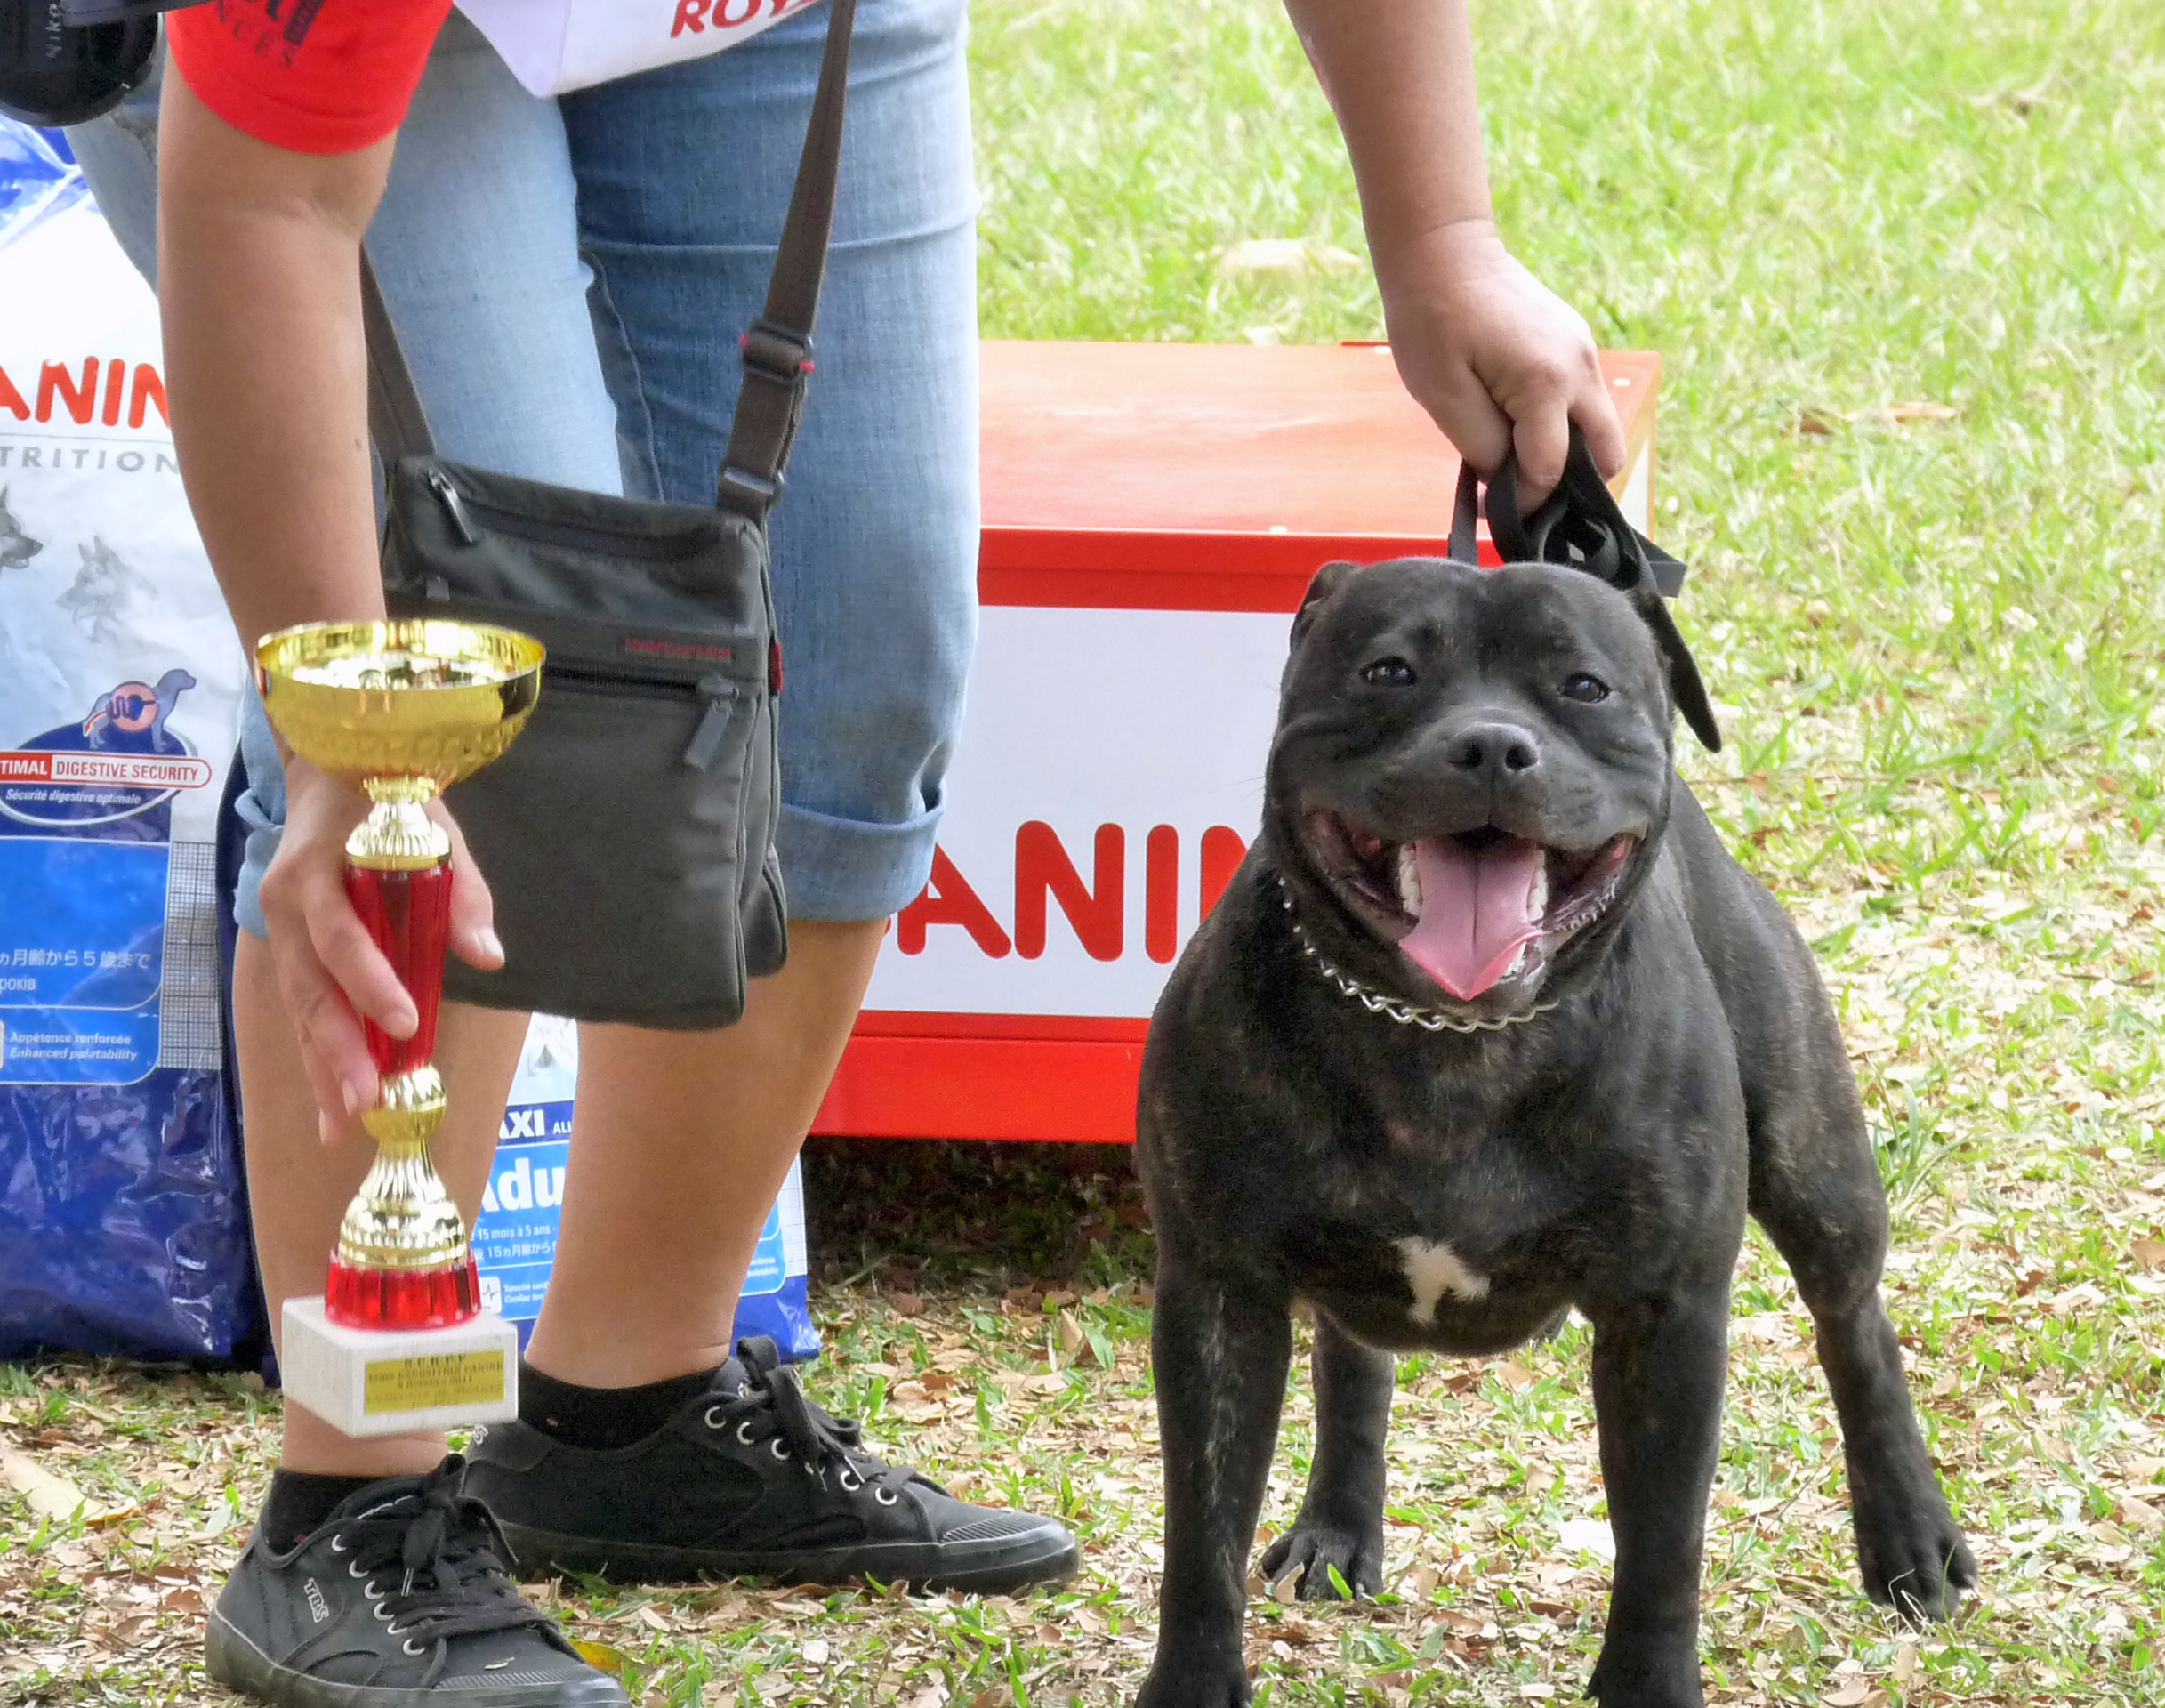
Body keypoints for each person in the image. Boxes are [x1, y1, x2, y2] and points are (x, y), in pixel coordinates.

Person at [67, 1, 1626, 1702]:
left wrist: (1440, 236)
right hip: (353, 69)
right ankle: (351, 1505)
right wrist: (348, 752)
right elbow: (268, 202)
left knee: (855, 634)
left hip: (780, 22)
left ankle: (626, 1413)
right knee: (473, 678)